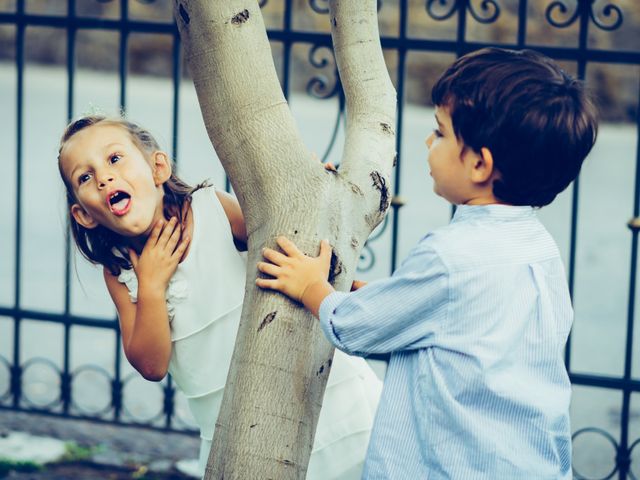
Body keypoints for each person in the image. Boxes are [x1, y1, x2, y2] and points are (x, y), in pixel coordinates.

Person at [256, 47, 598, 479]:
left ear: (479, 163)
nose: (427, 141)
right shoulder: (539, 250)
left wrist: (310, 286)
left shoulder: (450, 256)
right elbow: (461, 318)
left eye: (440, 133)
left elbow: (355, 327)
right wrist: (376, 295)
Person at [57, 115, 382, 479]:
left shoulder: (212, 211)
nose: (103, 177)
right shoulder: (121, 271)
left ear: (157, 167)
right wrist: (150, 285)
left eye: (114, 159)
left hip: (332, 402)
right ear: (83, 215)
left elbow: (291, 241)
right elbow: (151, 366)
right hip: (240, 435)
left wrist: (310, 200)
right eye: (84, 177)